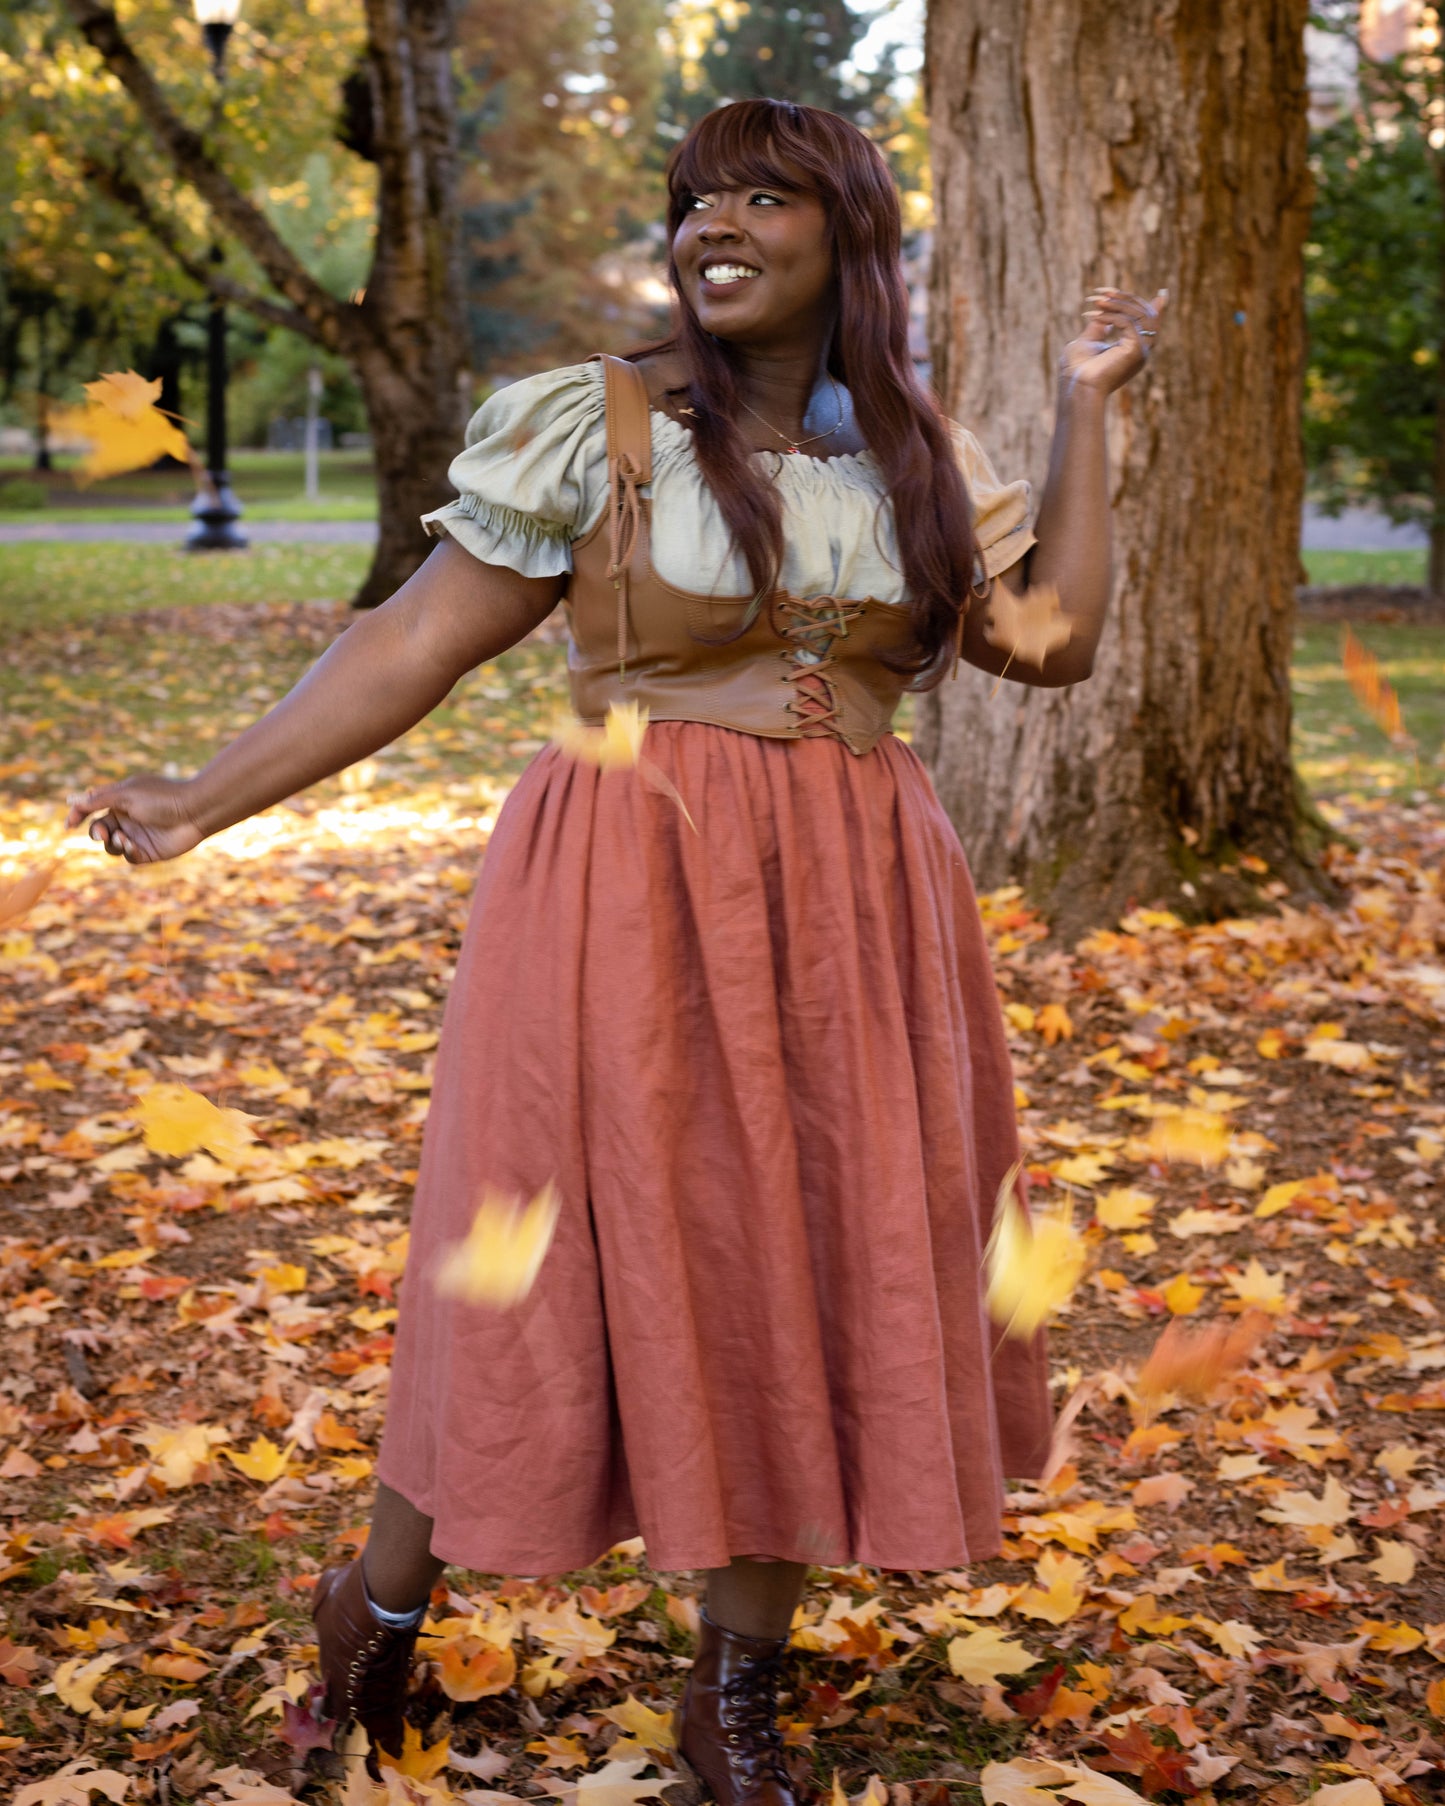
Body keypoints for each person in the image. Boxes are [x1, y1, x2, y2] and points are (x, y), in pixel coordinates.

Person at [68, 98, 1163, 1806]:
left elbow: (1052, 639)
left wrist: (1089, 413)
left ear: (849, 234)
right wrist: (208, 796)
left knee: (809, 1242)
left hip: (859, 904)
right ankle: (375, 1605)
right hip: (622, 884)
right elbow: (411, 637)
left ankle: (733, 1685)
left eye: (760, 196)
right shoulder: (601, 422)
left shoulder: (912, 447)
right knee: (544, 1247)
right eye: (692, 202)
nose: (711, 226)